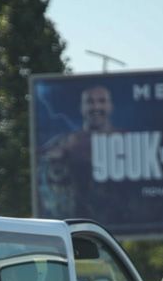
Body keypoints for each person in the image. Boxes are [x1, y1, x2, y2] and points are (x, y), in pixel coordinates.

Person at [38, 85, 116, 219]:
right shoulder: (61, 144)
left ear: (111, 106)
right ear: (82, 107)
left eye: (102, 101)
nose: (96, 107)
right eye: (90, 102)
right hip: (74, 221)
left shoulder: (128, 139)